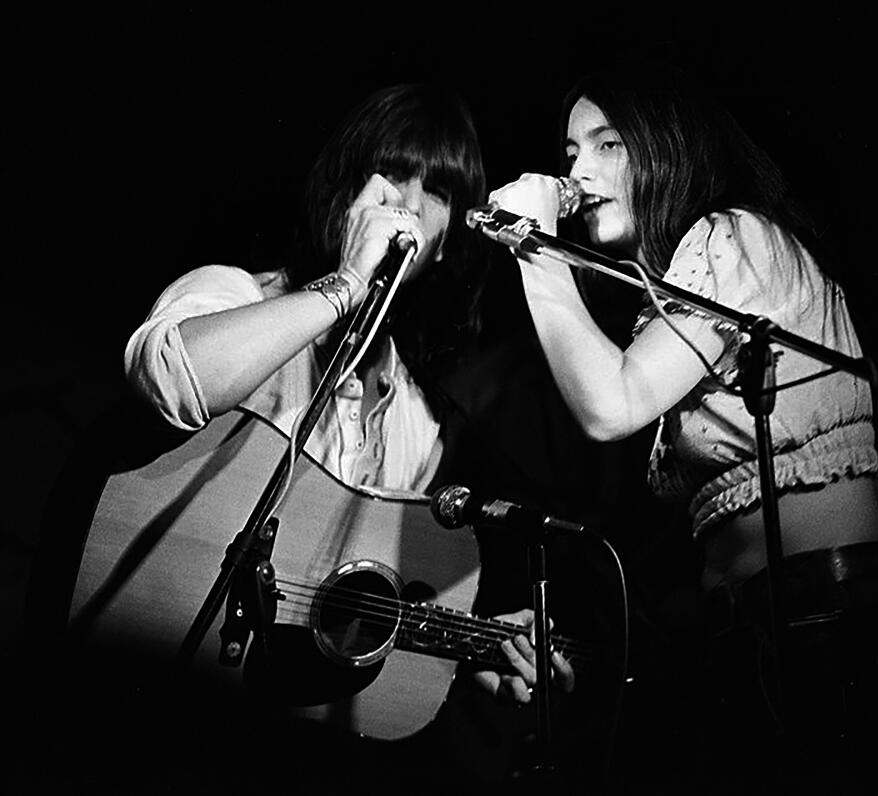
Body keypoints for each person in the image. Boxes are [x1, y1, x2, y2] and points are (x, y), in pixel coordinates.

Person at [119, 83, 574, 785]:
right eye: (392, 173)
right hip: (147, 693)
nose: (409, 206)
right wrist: (346, 284)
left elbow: (342, 605)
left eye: (439, 191)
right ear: (345, 190)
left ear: (450, 238)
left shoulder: (417, 424)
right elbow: (175, 384)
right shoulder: (235, 294)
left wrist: (471, 649)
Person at [487, 63, 878, 790]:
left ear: (667, 147)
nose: (578, 170)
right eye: (569, 155)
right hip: (746, 632)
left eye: (607, 144)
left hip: (819, 617)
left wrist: (535, 249)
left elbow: (609, 406)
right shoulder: (674, 295)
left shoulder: (731, 236)